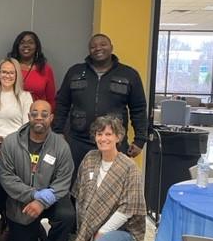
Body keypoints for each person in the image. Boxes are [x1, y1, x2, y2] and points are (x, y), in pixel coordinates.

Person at [0, 100, 74, 241]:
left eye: (44, 114)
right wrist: (33, 195)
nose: (39, 118)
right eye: (34, 113)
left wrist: (42, 201)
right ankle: (33, 231)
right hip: (21, 202)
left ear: (51, 118)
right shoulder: (11, 143)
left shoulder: (61, 146)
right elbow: (7, 178)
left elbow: (63, 181)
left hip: (52, 199)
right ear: (28, 116)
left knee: (67, 215)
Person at [53, 33, 148, 173]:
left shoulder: (129, 74)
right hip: (79, 142)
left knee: (112, 186)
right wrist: (58, 131)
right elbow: (62, 104)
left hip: (114, 142)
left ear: (111, 47)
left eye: (103, 44)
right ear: (89, 50)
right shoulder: (75, 72)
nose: (98, 48)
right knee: (77, 186)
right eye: (93, 46)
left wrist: (140, 140)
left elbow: (138, 109)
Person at [68, 115, 146, 241]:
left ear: (118, 137)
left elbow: (128, 209)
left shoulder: (129, 168)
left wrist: (102, 232)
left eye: (109, 134)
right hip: (90, 229)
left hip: (122, 230)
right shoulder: (90, 158)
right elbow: (79, 195)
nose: (103, 138)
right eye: (99, 134)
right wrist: (85, 232)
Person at [0, 58, 33, 241]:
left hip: (15, 149)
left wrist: (12, 147)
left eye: (11, 72)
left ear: (17, 75)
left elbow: (27, 126)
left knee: (11, 189)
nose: (7, 75)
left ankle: (9, 229)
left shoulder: (24, 96)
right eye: (3, 72)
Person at [8, 31, 56, 111]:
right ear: (17, 47)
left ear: (37, 47)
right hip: (11, 115)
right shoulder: (9, 67)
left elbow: (51, 100)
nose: (26, 45)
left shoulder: (46, 69)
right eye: (22, 43)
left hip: (36, 117)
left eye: (30, 42)